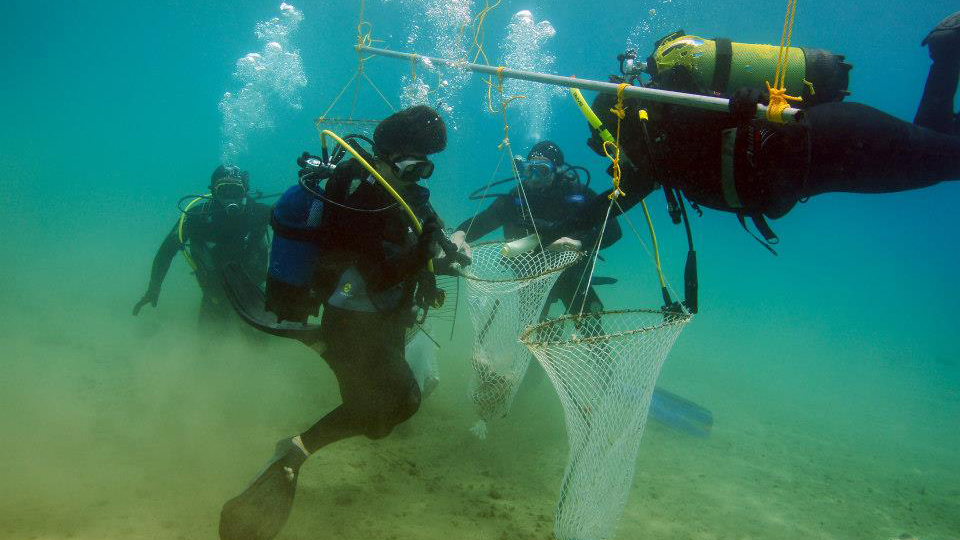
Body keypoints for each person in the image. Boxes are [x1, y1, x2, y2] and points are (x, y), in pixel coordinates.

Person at [218, 105, 464, 540]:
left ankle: (319, 358)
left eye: (429, 165)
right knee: (395, 406)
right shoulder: (364, 195)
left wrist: (438, 255)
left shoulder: (392, 189)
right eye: (417, 163)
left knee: (381, 420)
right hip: (354, 321)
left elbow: (397, 256)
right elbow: (381, 274)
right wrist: (425, 249)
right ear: (391, 153)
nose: (424, 174)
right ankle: (294, 452)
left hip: (379, 320)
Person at [546, 13, 960, 251]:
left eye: (605, 143)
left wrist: (748, 100)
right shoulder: (654, 160)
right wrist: (544, 236)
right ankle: (946, 53)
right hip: (819, 173)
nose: (610, 156)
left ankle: (946, 53)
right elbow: (607, 207)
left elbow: (736, 105)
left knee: (944, 159)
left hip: (829, 134)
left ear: (616, 123)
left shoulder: (673, 112)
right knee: (938, 156)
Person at [450, 140, 622, 318]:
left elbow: (613, 231)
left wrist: (578, 243)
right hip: (530, 277)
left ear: (557, 171)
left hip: (572, 274)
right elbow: (486, 219)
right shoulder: (517, 197)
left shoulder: (578, 195)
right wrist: (460, 233)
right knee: (532, 331)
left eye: (542, 170)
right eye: (528, 169)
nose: (533, 177)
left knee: (590, 324)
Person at [133, 165, 272, 331]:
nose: (230, 197)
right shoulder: (196, 218)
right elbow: (166, 252)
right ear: (213, 191)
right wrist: (153, 288)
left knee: (259, 346)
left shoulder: (260, 214)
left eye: (235, 190)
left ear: (245, 191)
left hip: (253, 292)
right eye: (224, 190)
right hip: (215, 294)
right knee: (209, 346)